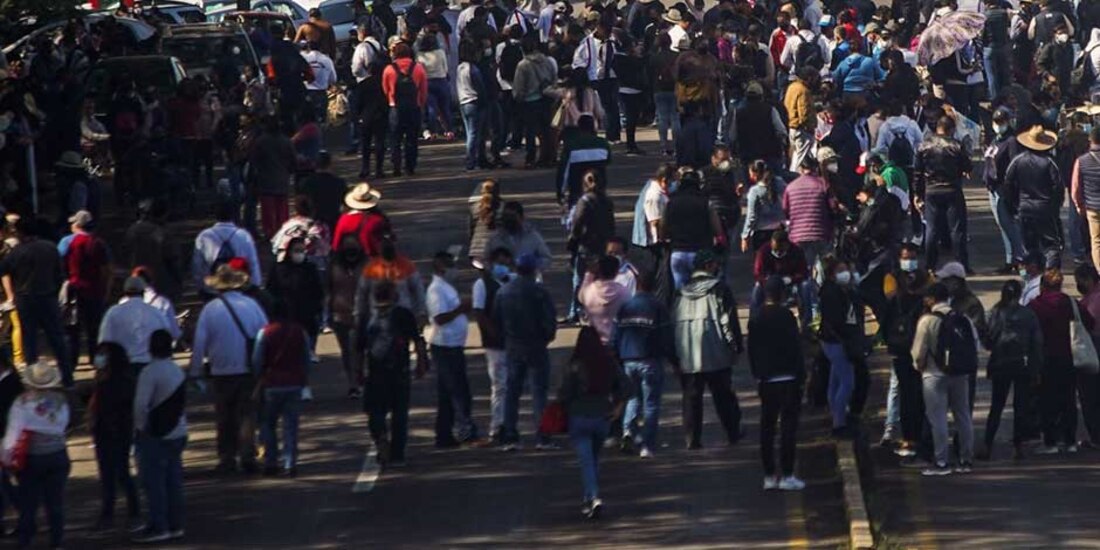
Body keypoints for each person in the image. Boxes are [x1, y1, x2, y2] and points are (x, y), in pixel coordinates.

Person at [189, 266, 268, 474]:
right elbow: (265, 333)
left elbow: (199, 343)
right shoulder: (251, 305)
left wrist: (195, 371)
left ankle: (227, 457)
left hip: (220, 370)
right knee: (247, 414)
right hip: (247, 368)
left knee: (225, 416)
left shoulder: (210, 309)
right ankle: (247, 455)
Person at [673, 250, 743, 449]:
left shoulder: (681, 291)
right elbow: (728, 320)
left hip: (687, 352)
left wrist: (675, 354)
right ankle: (733, 432)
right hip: (715, 349)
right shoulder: (719, 289)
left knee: (691, 396)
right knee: (723, 394)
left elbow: (673, 321)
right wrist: (735, 346)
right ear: (709, 266)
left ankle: (692, 438)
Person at [559, 326, 630, 519]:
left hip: (579, 418)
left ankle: (594, 496)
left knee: (586, 462)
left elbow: (564, 394)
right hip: (602, 418)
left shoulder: (574, 365)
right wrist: (618, 408)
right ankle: (588, 496)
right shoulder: (607, 362)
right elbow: (626, 386)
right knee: (594, 459)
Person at [493, 253, 557, 451]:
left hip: (513, 345)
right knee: (539, 392)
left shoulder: (503, 292)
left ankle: (510, 435)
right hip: (536, 345)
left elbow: (496, 319)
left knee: (512, 391)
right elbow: (549, 320)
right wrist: (546, 337)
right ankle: (542, 436)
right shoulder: (539, 291)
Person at [2, 363, 70, 549]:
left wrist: (6, 457)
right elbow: (63, 426)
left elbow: (13, 434)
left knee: (28, 503)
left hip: (32, 457)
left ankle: (25, 540)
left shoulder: (22, 402)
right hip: (57, 453)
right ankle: (56, 541)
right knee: (55, 502)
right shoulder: (61, 401)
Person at [912, 283, 977, 476]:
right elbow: (974, 344)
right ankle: (966, 458)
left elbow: (918, 351)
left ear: (931, 299)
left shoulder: (927, 320)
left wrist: (920, 366)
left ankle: (941, 461)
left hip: (934, 374)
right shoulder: (962, 318)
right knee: (963, 415)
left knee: (938, 418)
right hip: (960, 373)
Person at [360, 280, 428, 465]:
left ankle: (380, 437)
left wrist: (357, 374)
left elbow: (357, 348)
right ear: (394, 295)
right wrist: (421, 363)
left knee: (375, 411)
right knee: (400, 414)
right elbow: (417, 340)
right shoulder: (403, 314)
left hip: (374, 372)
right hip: (399, 371)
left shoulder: (366, 316)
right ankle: (397, 453)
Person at [0, 217, 73, 386]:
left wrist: (11, 294)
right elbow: (59, 274)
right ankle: (67, 377)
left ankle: (33, 379)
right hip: (47, 296)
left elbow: (3, 270)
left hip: (25, 299)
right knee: (57, 338)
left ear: (20, 232)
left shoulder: (16, 252)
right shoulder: (49, 248)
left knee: (30, 340)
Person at [749, 276, 806, 491]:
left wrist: (758, 374)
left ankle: (769, 475)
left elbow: (753, 351)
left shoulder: (756, 318)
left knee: (767, 428)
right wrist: (801, 375)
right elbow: (796, 348)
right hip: (789, 378)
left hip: (767, 380)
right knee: (788, 429)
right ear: (782, 294)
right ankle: (788, 474)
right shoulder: (787, 317)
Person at [1029, 268, 1093, 454]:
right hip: (1069, 357)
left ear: (1043, 286)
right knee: (1068, 400)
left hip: (1045, 359)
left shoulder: (1036, 305)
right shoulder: (1070, 303)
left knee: (1047, 401)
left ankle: (1050, 442)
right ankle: (1070, 440)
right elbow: (1088, 322)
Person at [613, 271, 676, 458]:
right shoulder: (657, 307)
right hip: (650, 360)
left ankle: (628, 432)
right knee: (651, 404)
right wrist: (673, 359)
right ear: (653, 287)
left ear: (637, 285)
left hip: (628, 360)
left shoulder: (625, 306)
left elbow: (617, 334)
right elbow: (666, 336)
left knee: (632, 398)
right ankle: (647, 446)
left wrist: (618, 355)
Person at [132, 330, 187, 543]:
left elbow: (140, 405)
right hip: (178, 431)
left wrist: (140, 428)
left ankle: (158, 525)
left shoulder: (149, 372)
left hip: (156, 433)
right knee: (174, 481)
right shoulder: (177, 370)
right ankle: (175, 524)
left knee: (154, 483)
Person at [980, 280, 1043, 460]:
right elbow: (1036, 343)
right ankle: (1018, 446)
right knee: (1020, 406)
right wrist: (1036, 368)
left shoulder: (996, 311)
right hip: (1022, 365)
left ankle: (987, 444)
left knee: (997, 405)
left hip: (1001, 363)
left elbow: (988, 339)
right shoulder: (1028, 314)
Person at [426, 252, 482, 447]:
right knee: (459, 391)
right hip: (445, 346)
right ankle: (464, 429)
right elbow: (439, 317)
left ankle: (444, 435)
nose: (453, 269)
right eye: (449, 265)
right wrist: (462, 308)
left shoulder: (445, 287)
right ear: (440, 267)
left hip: (453, 345)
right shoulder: (436, 290)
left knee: (448, 393)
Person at [881, 244, 931, 453]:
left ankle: (919, 436)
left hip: (920, 346)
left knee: (919, 393)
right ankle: (902, 433)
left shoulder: (927, 278)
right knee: (902, 391)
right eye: (905, 258)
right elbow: (888, 304)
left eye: (912, 257)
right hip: (902, 348)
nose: (909, 262)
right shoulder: (892, 279)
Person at [252, 302, 309, 476]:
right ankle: (290, 463)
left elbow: (257, 360)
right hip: (294, 383)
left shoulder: (265, 332)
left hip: (271, 384)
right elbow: (306, 358)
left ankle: (270, 462)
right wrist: (303, 379)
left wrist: (258, 377)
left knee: (268, 424)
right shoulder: (300, 331)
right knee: (290, 426)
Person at [89, 341, 140, 531]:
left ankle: (124, 512)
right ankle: (114, 512)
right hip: (108, 432)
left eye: (103, 354)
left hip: (114, 432)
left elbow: (116, 408)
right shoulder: (105, 378)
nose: (98, 358)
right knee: (112, 474)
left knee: (118, 473)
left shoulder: (117, 381)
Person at [913, 116, 972, 272]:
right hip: (952, 188)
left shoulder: (924, 146)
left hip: (931, 189)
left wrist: (917, 193)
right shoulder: (956, 146)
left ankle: (930, 264)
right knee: (957, 229)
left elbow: (918, 172)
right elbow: (967, 165)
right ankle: (962, 264)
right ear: (951, 129)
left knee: (932, 228)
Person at [1004, 125, 1064, 269]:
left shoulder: (1018, 161)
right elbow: (1058, 188)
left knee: (1029, 247)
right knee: (1051, 246)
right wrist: (1055, 208)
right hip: (1045, 209)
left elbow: (1008, 184)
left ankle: (1032, 277)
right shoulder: (1050, 162)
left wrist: (1012, 205)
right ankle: (1051, 276)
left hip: (1025, 208)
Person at [60, 209, 112, 366]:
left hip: (73, 291)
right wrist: (106, 290)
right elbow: (107, 269)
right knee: (94, 328)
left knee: (72, 328)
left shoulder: (67, 242)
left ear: (77, 224)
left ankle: (71, 362)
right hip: (94, 290)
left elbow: (58, 263)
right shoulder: (99, 243)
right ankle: (95, 360)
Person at [473, 248, 514, 442]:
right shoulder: (482, 285)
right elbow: (479, 314)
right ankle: (497, 426)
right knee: (499, 386)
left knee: (511, 385)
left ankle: (509, 423)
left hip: (513, 343)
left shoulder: (512, 281)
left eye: (506, 262)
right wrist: (493, 334)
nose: (502, 266)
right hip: (495, 345)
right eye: (499, 262)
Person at [819, 255, 861, 437]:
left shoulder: (835, 290)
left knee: (835, 380)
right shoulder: (832, 293)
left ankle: (837, 414)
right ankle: (839, 422)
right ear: (831, 274)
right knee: (847, 382)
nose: (846, 274)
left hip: (831, 340)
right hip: (837, 341)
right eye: (841, 271)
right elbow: (838, 320)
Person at [567, 171, 616, 322]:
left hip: (586, 245)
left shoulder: (585, 201)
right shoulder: (607, 201)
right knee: (600, 278)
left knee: (580, 278)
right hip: (602, 244)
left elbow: (577, 223)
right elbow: (611, 224)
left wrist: (574, 238)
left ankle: (576, 310)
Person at [266, 237, 324, 364]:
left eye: (302, 250)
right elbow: (270, 290)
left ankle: (310, 351)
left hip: (306, 312)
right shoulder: (279, 269)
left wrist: (316, 307)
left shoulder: (310, 269)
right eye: (297, 250)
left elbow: (318, 290)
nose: (300, 254)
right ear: (289, 251)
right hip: (285, 312)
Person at [665, 171, 723, 290]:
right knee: (701, 290)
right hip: (700, 253)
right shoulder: (706, 202)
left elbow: (662, 226)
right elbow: (718, 229)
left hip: (677, 252)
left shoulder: (670, 202)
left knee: (680, 292)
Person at [192, 201, 263, 297]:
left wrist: (202, 287)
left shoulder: (204, 236)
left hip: (213, 290)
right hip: (240, 288)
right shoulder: (243, 235)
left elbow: (198, 266)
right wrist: (255, 285)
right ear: (233, 215)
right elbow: (253, 262)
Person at [98, 276, 172, 367]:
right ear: (143, 292)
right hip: (150, 364)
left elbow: (104, 342)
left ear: (125, 292)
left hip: (121, 366)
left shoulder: (113, 312)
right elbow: (168, 334)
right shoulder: (155, 312)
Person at [984, 108, 1025, 274]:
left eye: (1001, 122)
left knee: (1009, 225)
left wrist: (1011, 189)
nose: (998, 125)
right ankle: (1010, 259)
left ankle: (1020, 258)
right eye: (996, 122)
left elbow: (1015, 165)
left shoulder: (1011, 141)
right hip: (993, 187)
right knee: (1002, 224)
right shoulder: (996, 139)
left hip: (1004, 188)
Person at [328, 235, 368, 399]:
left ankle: (360, 377)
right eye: (347, 247)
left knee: (360, 349)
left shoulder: (367, 265)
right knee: (347, 350)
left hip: (364, 313)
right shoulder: (335, 266)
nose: (351, 251)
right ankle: (353, 383)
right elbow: (328, 289)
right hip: (340, 315)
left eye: (354, 246)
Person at [382, 42, 429, 176]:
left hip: (395, 107)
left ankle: (396, 165)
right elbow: (424, 90)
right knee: (412, 138)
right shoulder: (418, 68)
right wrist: (421, 103)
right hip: (413, 107)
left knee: (395, 138)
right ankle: (410, 166)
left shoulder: (389, 69)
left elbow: (385, 90)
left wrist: (390, 99)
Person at [750, 228, 813, 327]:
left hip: (791, 282)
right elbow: (758, 273)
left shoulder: (797, 251)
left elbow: (803, 272)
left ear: (787, 245)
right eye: (775, 249)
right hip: (770, 282)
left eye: (781, 249)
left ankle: (807, 323)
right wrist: (767, 282)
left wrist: (792, 279)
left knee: (806, 286)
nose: (778, 252)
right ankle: (754, 321)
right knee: (757, 289)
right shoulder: (763, 251)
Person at [783, 157, 837, 269]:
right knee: (826, 267)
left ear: (801, 169)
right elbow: (833, 207)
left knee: (803, 269)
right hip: (821, 233)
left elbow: (785, 210)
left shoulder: (790, 187)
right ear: (816, 168)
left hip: (797, 235)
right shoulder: (823, 184)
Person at [249, 116, 296, 239]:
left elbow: (254, 161)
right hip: (282, 179)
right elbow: (293, 160)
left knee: (268, 212)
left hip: (266, 180)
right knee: (283, 210)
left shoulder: (261, 142)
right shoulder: (286, 141)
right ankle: (284, 232)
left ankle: (270, 233)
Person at [483, 201, 553, 272]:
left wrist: (532, 265)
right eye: (506, 217)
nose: (509, 221)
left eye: (513, 217)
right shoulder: (495, 238)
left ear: (522, 218)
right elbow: (486, 260)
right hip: (502, 280)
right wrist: (494, 270)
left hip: (527, 280)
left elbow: (546, 258)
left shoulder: (532, 236)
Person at [331, 182, 391, 258]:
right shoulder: (378, 220)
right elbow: (388, 239)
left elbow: (336, 244)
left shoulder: (344, 219)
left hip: (352, 260)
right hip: (373, 259)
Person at [741, 160, 788, 254]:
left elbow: (751, 216)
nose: (750, 177)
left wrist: (745, 235)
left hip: (762, 233)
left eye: (750, 174)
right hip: (780, 229)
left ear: (755, 174)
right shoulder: (780, 183)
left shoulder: (755, 191)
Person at [1076, 264, 1100, 446]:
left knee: (1090, 395)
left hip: (1093, 349)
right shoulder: (1088, 299)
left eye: (1082, 281)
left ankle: (1096, 436)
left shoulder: (1093, 301)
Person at [1071, 126, 1100, 271]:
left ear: (1091, 140)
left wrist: (1079, 206)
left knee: (1096, 241)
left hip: (1092, 207)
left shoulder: (1081, 161)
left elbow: (1075, 188)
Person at [297, 152, 348, 232]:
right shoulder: (339, 182)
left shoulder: (307, 182)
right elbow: (346, 205)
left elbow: (300, 204)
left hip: (314, 223)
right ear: (330, 164)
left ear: (314, 164)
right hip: (334, 222)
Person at [784, 67, 819, 173]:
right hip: (802, 130)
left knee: (795, 156)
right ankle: (796, 180)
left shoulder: (792, 87)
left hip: (791, 127)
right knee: (801, 160)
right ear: (808, 78)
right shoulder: (803, 91)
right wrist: (810, 127)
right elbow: (804, 113)